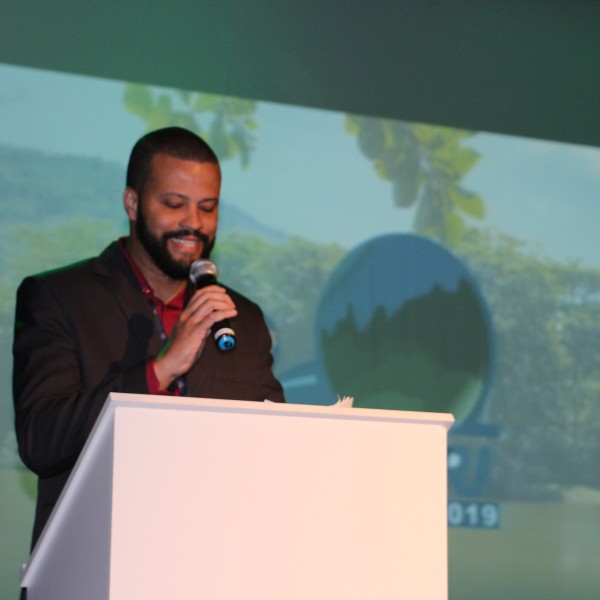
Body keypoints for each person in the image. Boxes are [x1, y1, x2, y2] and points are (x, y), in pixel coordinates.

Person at [12, 126, 285, 549]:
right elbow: (41, 440)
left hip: (215, 562)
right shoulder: (58, 298)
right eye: (174, 204)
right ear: (133, 203)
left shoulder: (240, 319)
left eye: (208, 208)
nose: (193, 223)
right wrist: (162, 368)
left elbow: (276, 450)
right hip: (97, 561)